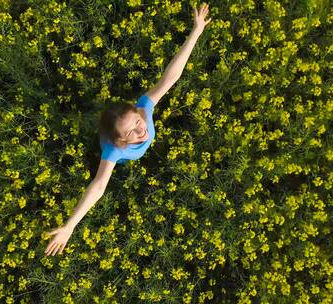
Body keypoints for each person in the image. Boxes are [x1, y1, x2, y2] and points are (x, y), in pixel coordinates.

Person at [45, 3, 212, 256]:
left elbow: (171, 76)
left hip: (122, 136)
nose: (140, 131)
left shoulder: (144, 109)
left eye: (136, 122)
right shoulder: (113, 150)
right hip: (111, 147)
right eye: (131, 133)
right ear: (121, 142)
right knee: (100, 137)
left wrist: (196, 31)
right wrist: (70, 226)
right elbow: (99, 187)